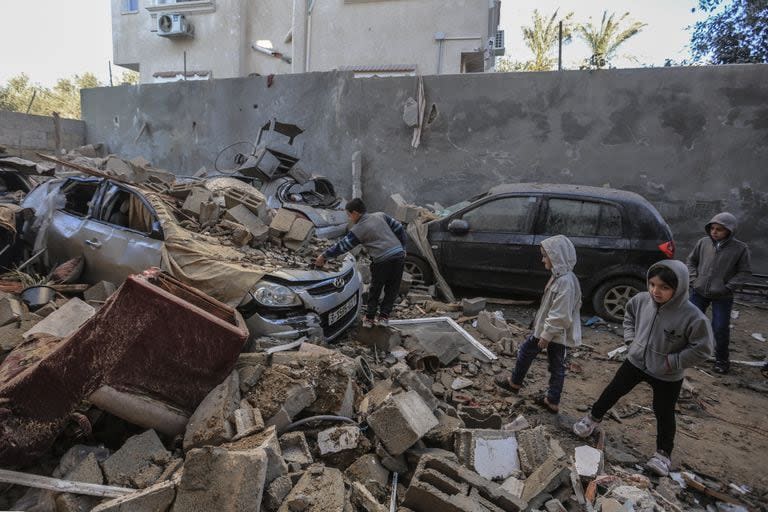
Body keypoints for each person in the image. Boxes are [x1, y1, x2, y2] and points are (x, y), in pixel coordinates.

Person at [573, 260, 713, 477]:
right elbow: (628, 316)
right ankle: (592, 419)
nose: (656, 291)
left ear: (679, 288)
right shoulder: (641, 300)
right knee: (613, 391)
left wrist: (674, 361)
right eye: (652, 284)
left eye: (664, 287)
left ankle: (663, 455)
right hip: (636, 361)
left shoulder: (692, 316)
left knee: (664, 411)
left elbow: (703, 348)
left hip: (667, 372)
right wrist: (630, 340)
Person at [494, 235, 582, 414]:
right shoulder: (561, 277)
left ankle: (516, 384)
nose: (542, 260)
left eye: (545, 256)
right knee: (555, 364)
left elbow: (561, 314)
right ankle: (551, 399)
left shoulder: (565, 282)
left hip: (553, 333)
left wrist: (546, 335)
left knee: (530, 353)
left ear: (557, 256)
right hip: (551, 331)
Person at [314, 198, 406, 327]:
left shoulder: (359, 229)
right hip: (398, 256)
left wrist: (324, 256)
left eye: (349, 215)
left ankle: (369, 319)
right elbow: (399, 228)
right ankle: (384, 318)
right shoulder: (381, 215)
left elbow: (343, 246)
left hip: (381, 260)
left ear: (356, 213)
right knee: (392, 288)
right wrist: (403, 248)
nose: (349, 218)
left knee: (376, 289)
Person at [686, 212, 752, 374]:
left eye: (720, 229)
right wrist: (694, 280)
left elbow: (744, 272)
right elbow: (691, 261)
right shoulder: (703, 243)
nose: (714, 232)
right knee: (690, 322)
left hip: (723, 295)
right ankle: (685, 352)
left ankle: (722, 360)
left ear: (730, 231)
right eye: (712, 228)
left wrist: (728, 287)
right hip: (699, 291)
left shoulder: (740, 249)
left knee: (720, 328)